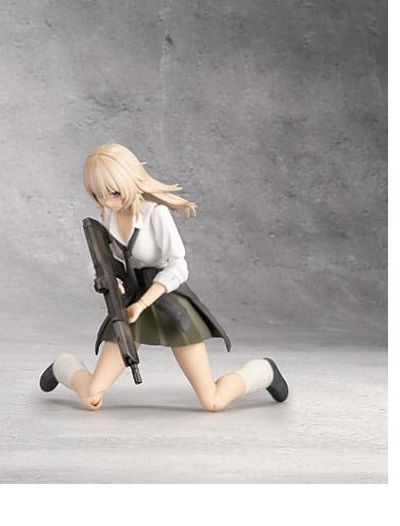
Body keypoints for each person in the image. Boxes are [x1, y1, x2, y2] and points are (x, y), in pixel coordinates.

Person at [40, 143, 288, 411]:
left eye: (113, 193)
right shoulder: (108, 214)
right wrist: (109, 281)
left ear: (130, 179)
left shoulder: (155, 214)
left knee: (213, 401)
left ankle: (264, 371)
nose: (106, 201)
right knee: (91, 397)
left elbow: (179, 266)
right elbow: (99, 261)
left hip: (167, 301)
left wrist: (143, 303)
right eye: (97, 195)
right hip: (130, 304)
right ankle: (63, 365)